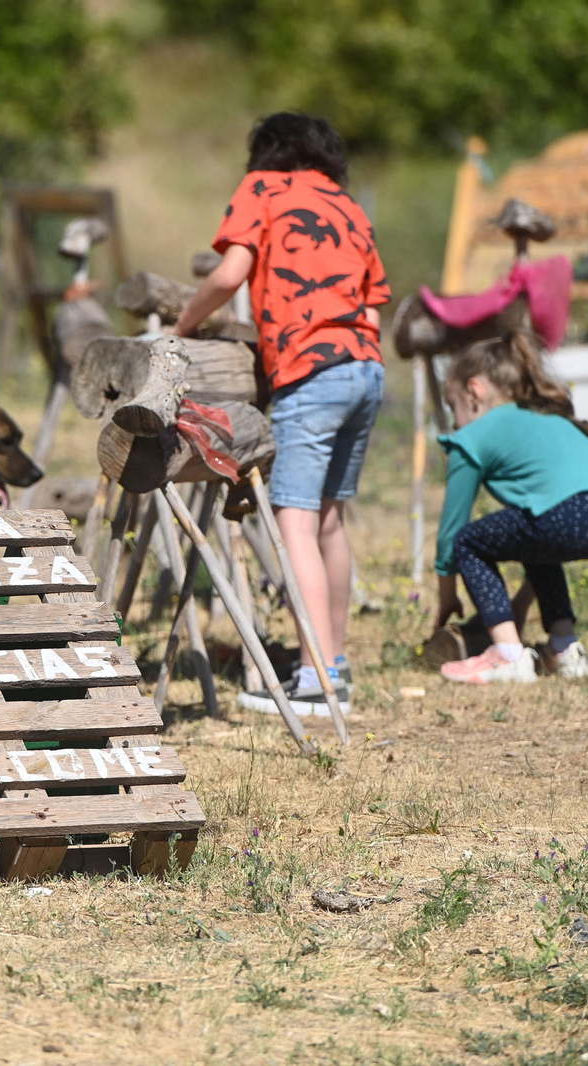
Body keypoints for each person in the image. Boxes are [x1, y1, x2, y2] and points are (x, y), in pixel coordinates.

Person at [173, 112, 390, 716]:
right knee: (328, 521)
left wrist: (183, 326)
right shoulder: (347, 205)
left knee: (294, 521)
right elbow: (372, 311)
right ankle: (334, 664)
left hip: (311, 373)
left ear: (266, 154)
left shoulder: (262, 189)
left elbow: (231, 273)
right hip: (367, 369)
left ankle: (317, 682)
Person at [433, 332, 588, 684]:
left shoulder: (471, 436)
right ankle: (565, 649)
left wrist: (447, 597)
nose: (455, 423)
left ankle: (508, 655)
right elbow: (543, 538)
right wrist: (521, 600)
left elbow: (452, 534)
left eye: (453, 406)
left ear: (474, 391)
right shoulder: (545, 417)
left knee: (470, 540)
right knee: (532, 528)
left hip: (567, 513)